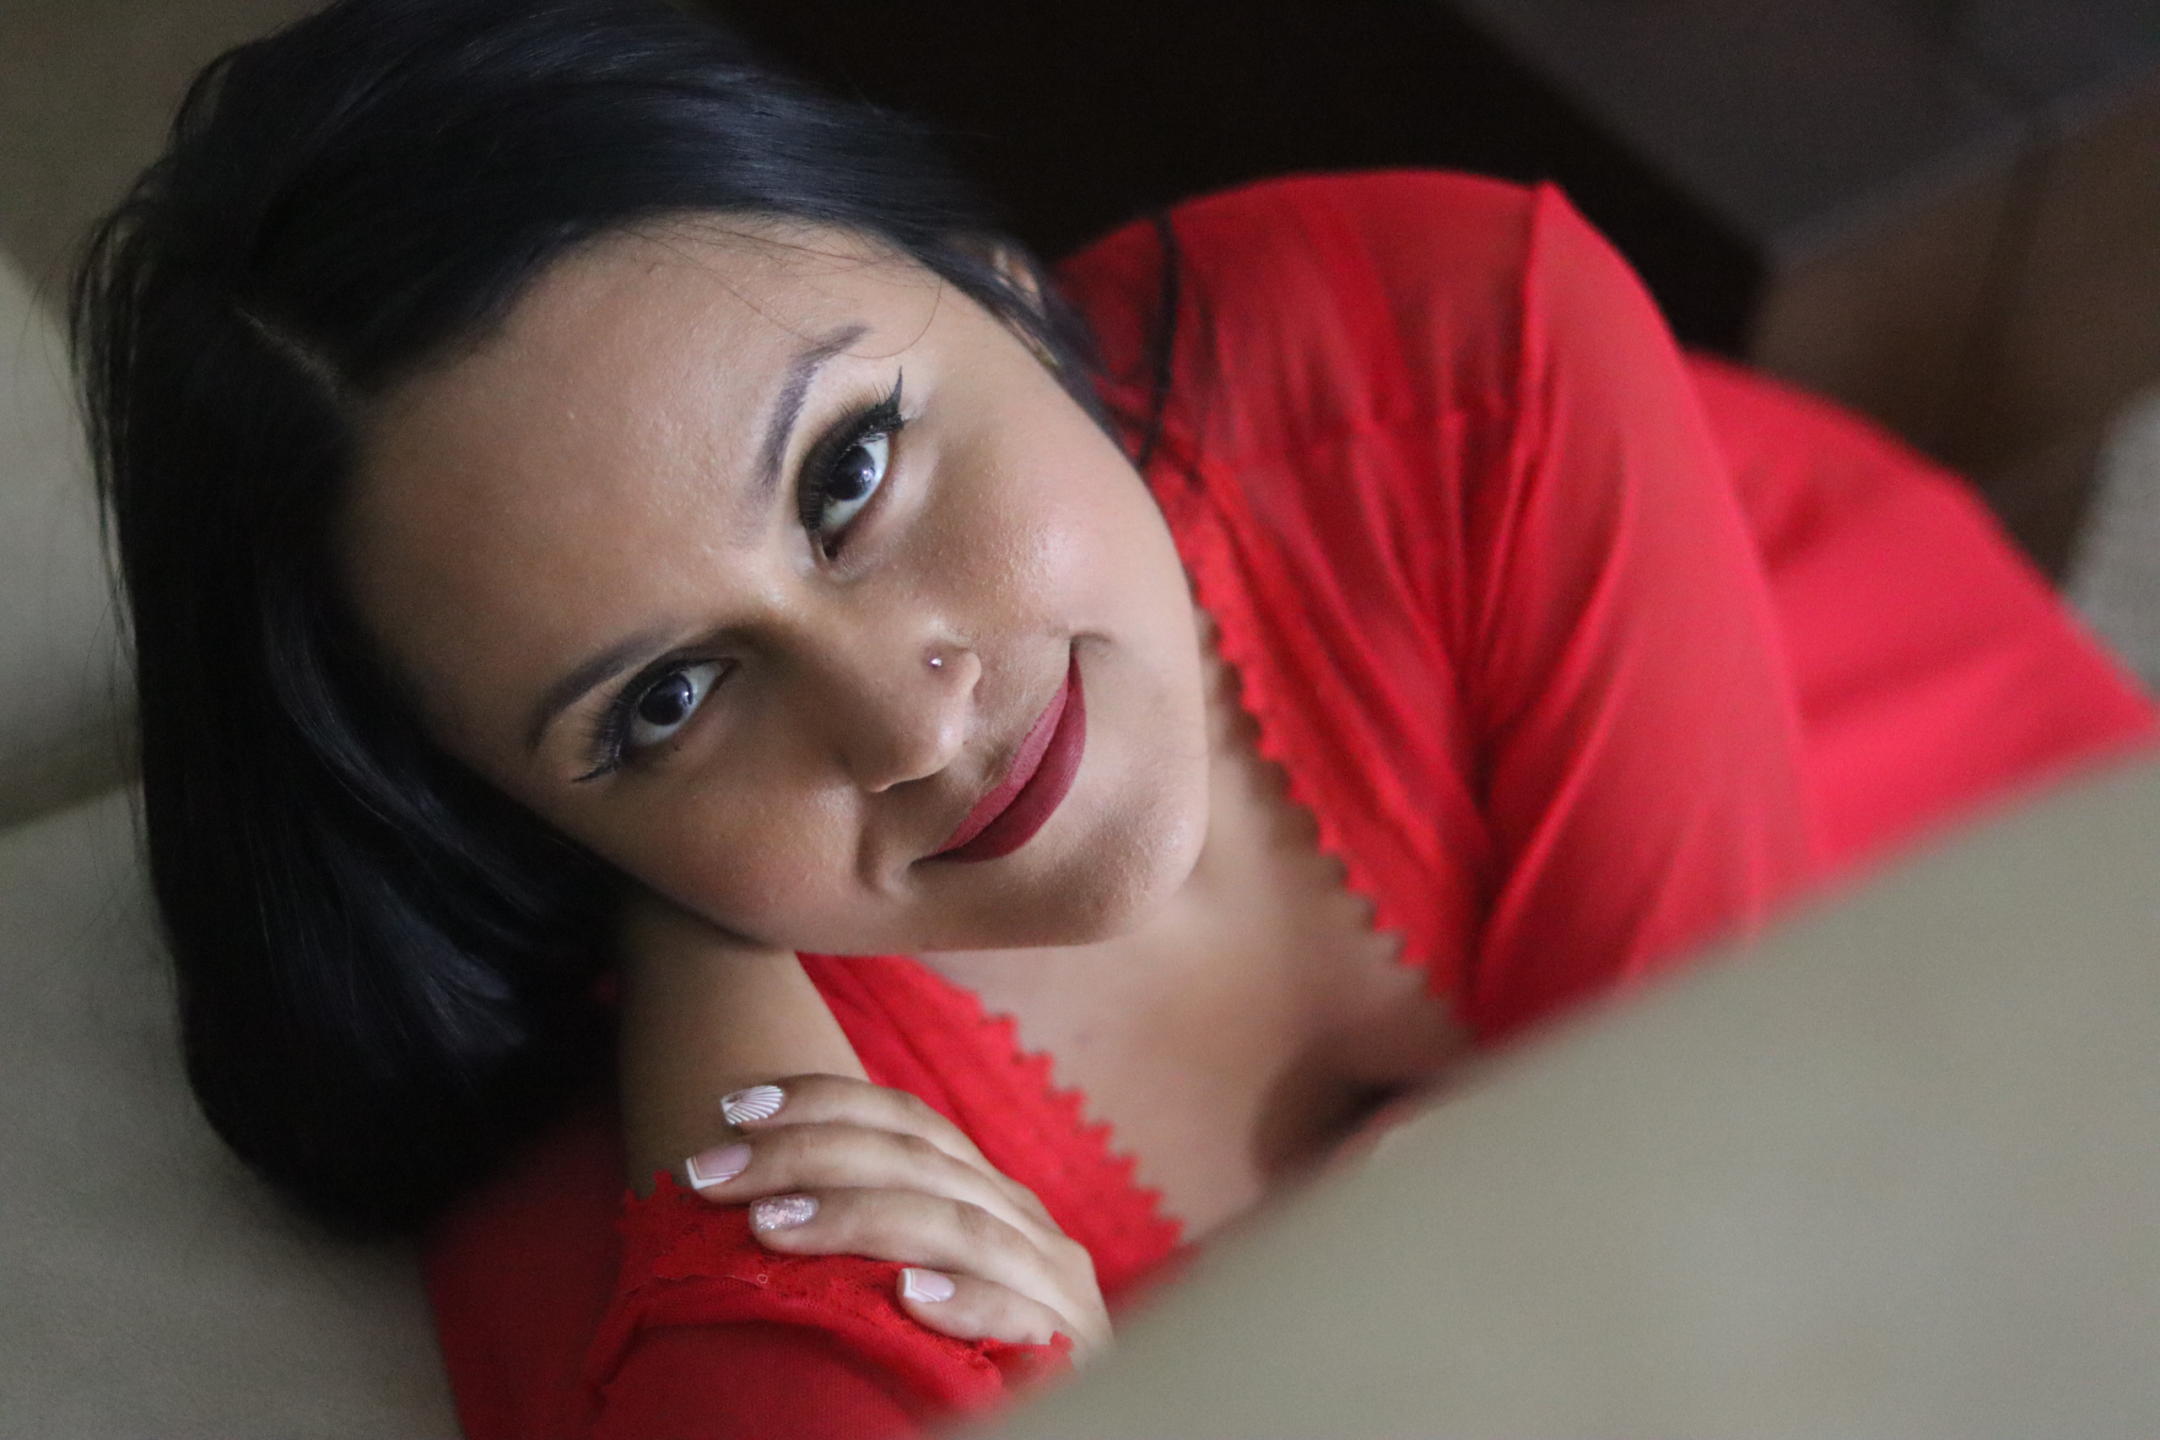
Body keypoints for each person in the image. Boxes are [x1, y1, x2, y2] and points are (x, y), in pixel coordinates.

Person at [68, 0, 2160, 1435]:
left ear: (993, 275)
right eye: (670, 699)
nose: (902, 719)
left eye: (852, 468)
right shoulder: (737, 1202)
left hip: (1874, 769)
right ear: (521, 820)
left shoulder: (1453, 346)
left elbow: (1761, 1231)